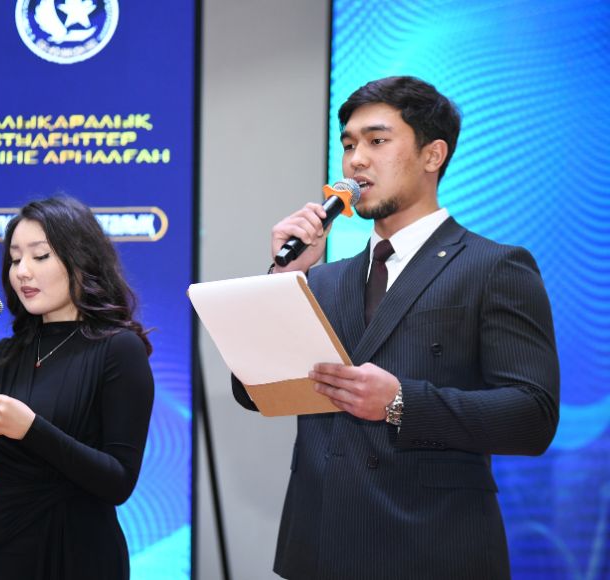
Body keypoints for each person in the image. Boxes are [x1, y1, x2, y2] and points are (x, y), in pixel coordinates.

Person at [232, 76, 559, 579]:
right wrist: (283, 278)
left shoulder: (494, 266)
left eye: (377, 141)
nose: (355, 161)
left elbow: (532, 416)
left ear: (433, 155)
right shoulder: (322, 279)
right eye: (349, 145)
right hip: (320, 550)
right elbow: (254, 392)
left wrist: (401, 402)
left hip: (432, 550)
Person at [0, 196, 154, 580]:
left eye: (40, 256)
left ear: (80, 259)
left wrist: (31, 428)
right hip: (2, 555)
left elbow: (118, 482)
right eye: (15, 259)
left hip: (83, 559)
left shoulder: (120, 350)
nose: (22, 271)